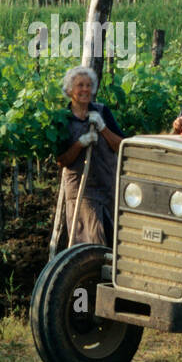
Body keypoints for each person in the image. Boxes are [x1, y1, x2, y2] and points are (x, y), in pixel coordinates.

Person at [57, 65, 124, 248]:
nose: (85, 89)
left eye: (88, 85)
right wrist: (80, 143)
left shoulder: (102, 112)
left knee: (115, 238)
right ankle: (92, 274)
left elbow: (121, 146)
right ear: (70, 90)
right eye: (80, 85)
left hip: (108, 185)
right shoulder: (63, 118)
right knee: (93, 238)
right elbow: (62, 160)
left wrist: (102, 128)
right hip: (81, 188)